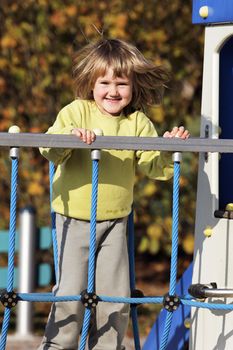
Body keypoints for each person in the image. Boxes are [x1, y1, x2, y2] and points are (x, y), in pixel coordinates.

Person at [38, 38, 189, 350]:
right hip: (73, 220)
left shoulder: (137, 123)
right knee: (71, 292)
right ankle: (57, 345)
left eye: (121, 83)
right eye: (104, 82)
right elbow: (48, 147)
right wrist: (71, 138)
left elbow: (157, 168)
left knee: (115, 295)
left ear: (133, 86)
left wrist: (172, 147)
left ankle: (108, 346)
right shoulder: (77, 112)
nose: (113, 91)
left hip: (116, 222)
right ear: (90, 83)